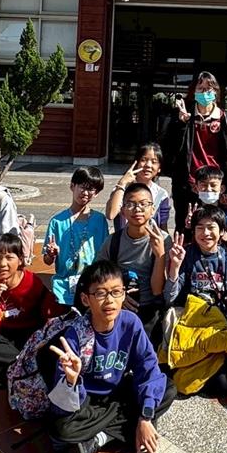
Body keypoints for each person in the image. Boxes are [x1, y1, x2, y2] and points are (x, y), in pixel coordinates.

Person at [48, 260, 176, 453]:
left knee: (167, 388)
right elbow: (62, 405)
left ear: (124, 294)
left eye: (116, 292)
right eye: (100, 293)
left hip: (117, 393)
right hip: (87, 401)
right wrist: (71, 380)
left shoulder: (130, 323)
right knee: (62, 429)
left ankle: (96, 439)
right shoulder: (75, 335)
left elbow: (148, 368)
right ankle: (116, 433)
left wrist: (145, 416)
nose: (110, 300)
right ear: (86, 299)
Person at [0, 233, 64, 386]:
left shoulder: (32, 283)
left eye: (9, 257)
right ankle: (26, 370)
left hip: (28, 335)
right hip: (0, 335)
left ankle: (14, 373)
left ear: (20, 260)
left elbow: (50, 316)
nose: (2, 264)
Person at [161, 71, 227, 233]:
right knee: (184, 226)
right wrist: (181, 124)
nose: (204, 93)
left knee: (212, 226)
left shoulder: (226, 121)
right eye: (200, 88)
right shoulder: (181, 117)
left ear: (216, 92)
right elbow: (169, 148)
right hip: (187, 183)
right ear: (193, 91)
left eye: (209, 89)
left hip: (213, 185)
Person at [96, 183, 171, 336]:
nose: (137, 209)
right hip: (119, 309)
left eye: (144, 204)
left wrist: (160, 256)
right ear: (123, 210)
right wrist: (118, 296)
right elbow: (98, 275)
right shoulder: (113, 241)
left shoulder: (164, 240)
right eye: (130, 204)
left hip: (151, 311)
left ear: (153, 209)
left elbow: (157, 290)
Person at [164, 206, 227, 332]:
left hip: (219, 324)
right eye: (200, 228)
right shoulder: (185, 256)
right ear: (193, 231)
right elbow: (169, 299)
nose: (206, 233)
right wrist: (175, 266)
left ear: (222, 231)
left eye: (211, 227)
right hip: (188, 323)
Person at [44, 167, 110, 305]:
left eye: (91, 189)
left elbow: (105, 256)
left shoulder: (100, 220)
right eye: (82, 187)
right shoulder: (57, 222)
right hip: (63, 287)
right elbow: (47, 261)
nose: (85, 193)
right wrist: (51, 254)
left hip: (92, 286)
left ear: (96, 193)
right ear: (72, 186)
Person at [106, 143, 171, 232]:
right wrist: (122, 183)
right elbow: (110, 215)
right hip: (123, 239)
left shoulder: (161, 194)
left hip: (149, 240)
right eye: (143, 160)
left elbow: (163, 227)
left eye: (154, 162)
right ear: (136, 163)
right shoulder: (122, 189)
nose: (148, 165)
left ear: (159, 168)